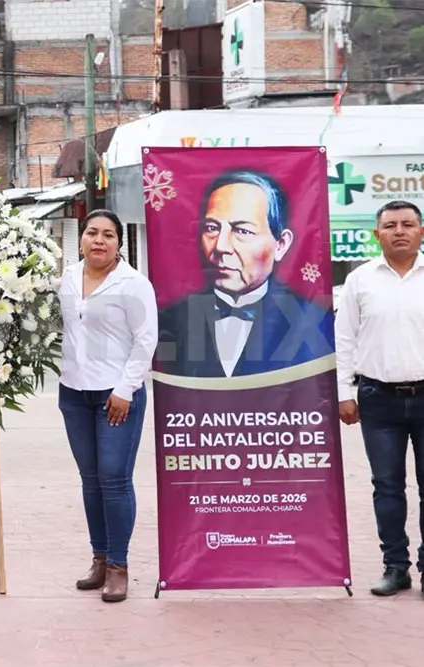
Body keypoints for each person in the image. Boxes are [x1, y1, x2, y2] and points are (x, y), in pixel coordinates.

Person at [57, 209, 157, 603]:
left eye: (108, 235)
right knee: (90, 481)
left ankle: (118, 566)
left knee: (114, 479)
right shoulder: (66, 279)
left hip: (116, 396)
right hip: (73, 393)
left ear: (119, 242)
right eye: (92, 233)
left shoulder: (133, 284)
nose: (99, 241)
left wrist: (125, 389)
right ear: (81, 238)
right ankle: (98, 558)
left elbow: (146, 340)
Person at [155, 170, 334, 378]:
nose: (221, 246)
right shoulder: (170, 320)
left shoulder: (312, 321)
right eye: (212, 228)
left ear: (281, 244)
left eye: (242, 231)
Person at [336, 200, 424, 597]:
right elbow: (344, 340)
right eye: (390, 226)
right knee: (387, 486)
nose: (400, 231)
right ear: (377, 235)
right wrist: (344, 393)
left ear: (421, 231)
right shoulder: (360, 280)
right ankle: (395, 566)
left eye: (408, 224)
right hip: (378, 398)